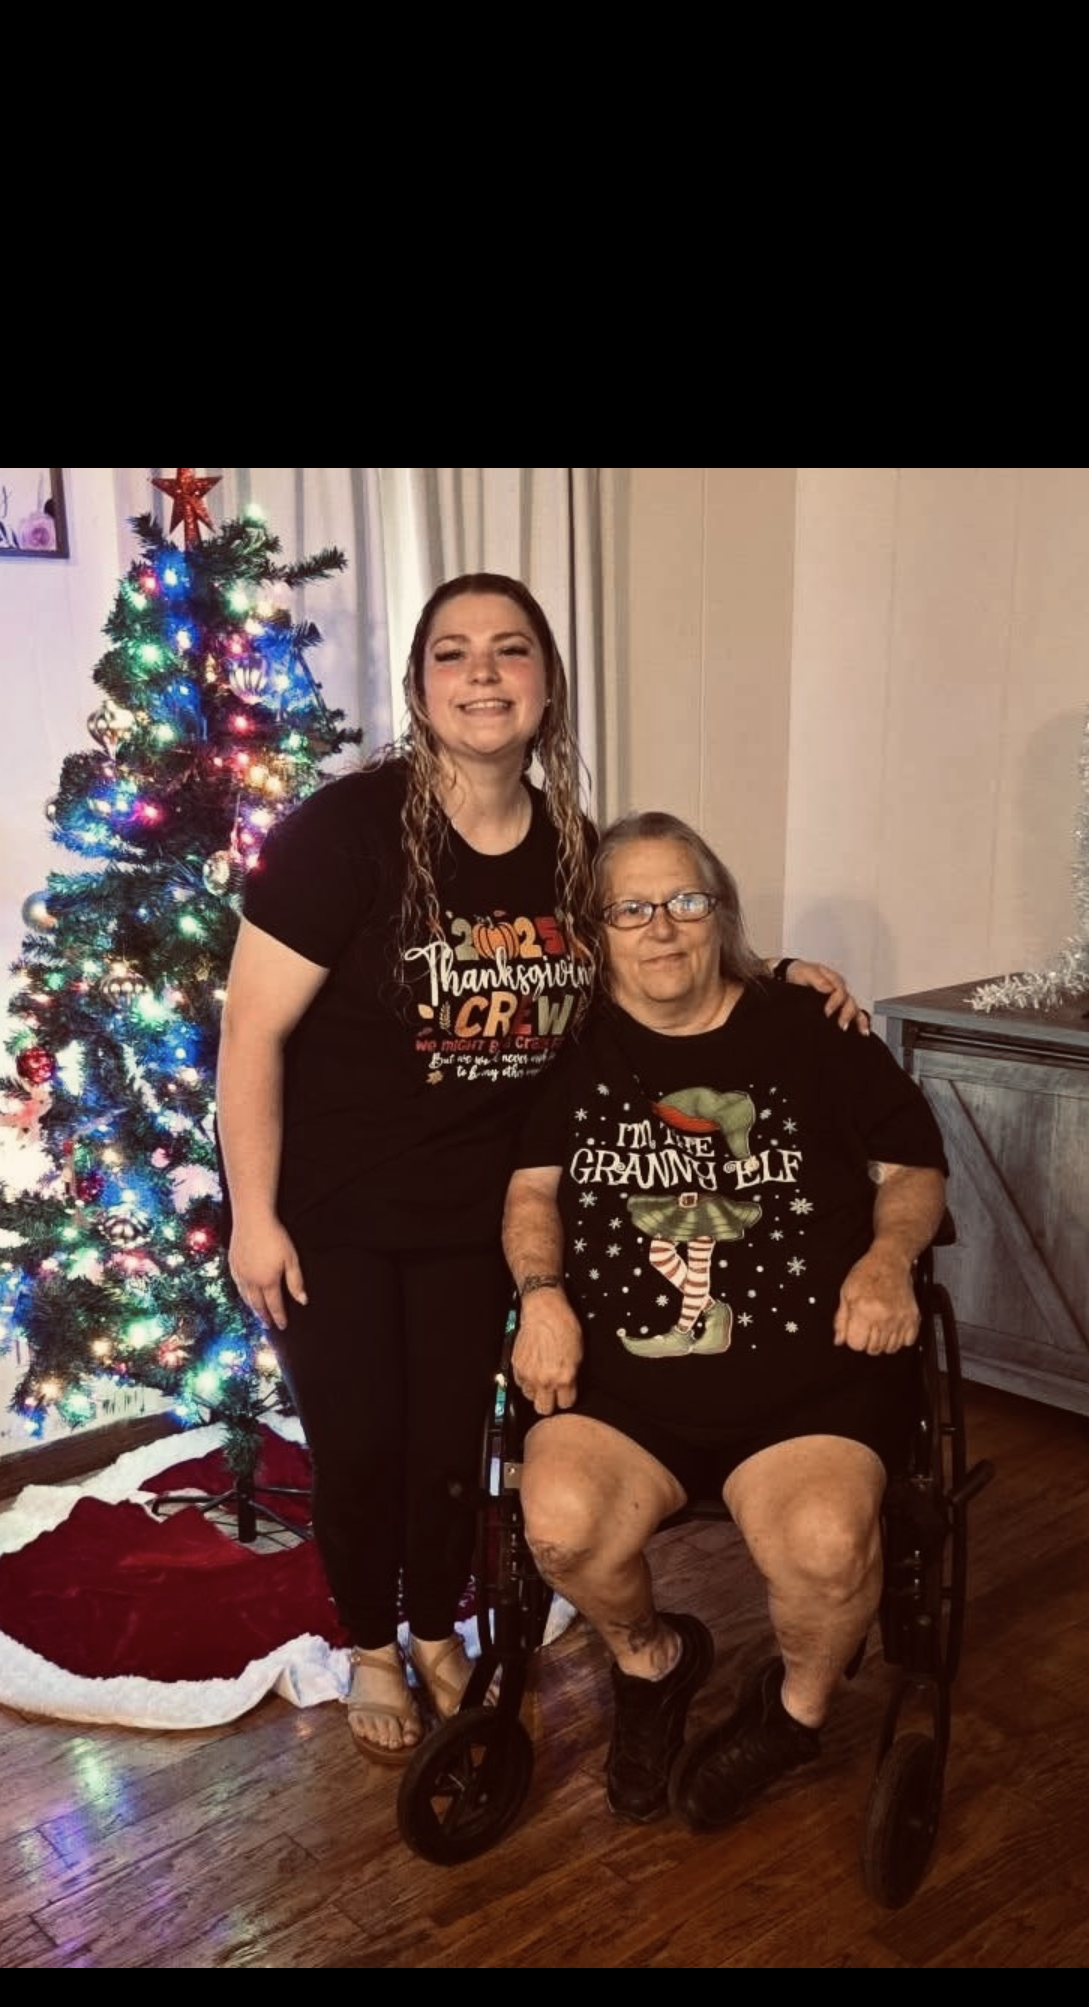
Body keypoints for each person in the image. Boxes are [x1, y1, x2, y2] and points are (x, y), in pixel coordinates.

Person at [216, 578, 865, 1766]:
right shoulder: (347, 833)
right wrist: (252, 1215)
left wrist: (780, 977)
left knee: (451, 1444)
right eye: (454, 654)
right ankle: (371, 1642)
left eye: (510, 651)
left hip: (486, 1211)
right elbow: (250, 1031)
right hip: (339, 1211)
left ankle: (434, 1620)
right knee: (360, 1446)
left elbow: (657, 952)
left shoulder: (571, 850)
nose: (483, 674)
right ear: (420, 688)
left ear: (546, 684)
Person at [502, 809, 948, 1830]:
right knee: (561, 1527)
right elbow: (530, 1195)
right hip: (622, 1388)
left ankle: (792, 1715)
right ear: (598, 930)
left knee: (830, 1544)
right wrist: (541, 1298)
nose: (662, 928)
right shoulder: (572, 1050)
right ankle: (653, 1663)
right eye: (633, 908)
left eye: (686, 901)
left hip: (809, 1388)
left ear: (721, 914)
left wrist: (889, 1259)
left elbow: (913, 1167)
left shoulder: (812, 1032)